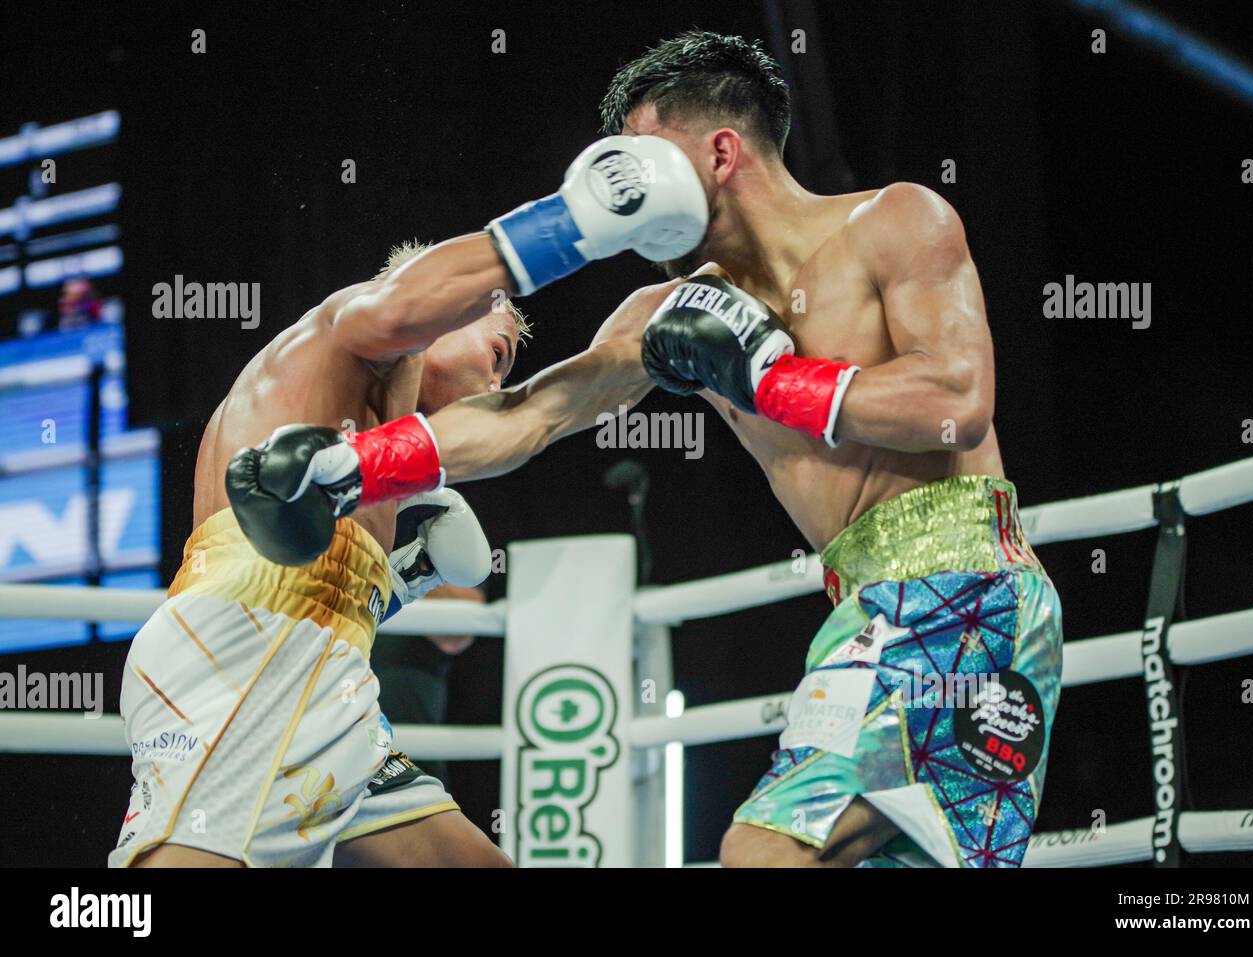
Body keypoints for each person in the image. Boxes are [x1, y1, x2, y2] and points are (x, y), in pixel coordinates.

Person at [236, 31, 1062, 869]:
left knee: (763, 855)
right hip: (872, 601)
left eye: (640, 155)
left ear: (720, 153)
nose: (623, 190)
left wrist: (769, 379)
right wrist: (358, 466)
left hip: (962, 586)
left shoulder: (894, 220)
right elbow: (529, 415)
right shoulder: (668, 312)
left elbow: (956, 401)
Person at [110, 132, 709, 867]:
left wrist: (648, 340)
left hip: (327, 672)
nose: (496, 384)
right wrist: (579, 219)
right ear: (451, 310)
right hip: (250, 651)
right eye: (497, 352)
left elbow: (532, 418)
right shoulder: (347, 330)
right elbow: (400, 309)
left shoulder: (367, 449)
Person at [369, 584, 485, 786]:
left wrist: (392, 576)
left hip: (407, 734)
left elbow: (462, 624)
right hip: (331, 722)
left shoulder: (431, 553)